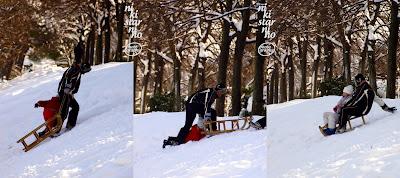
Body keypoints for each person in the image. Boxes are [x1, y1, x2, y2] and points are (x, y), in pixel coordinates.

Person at [163, 83, 227, 148]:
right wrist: (206, 117)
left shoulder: (212, 93)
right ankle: (213, 130)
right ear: (218, 90)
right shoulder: (211, 93)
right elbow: (206, 105)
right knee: (212, 112)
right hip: (192, 105)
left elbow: (204, 104)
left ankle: (177, 140)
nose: (222, 93)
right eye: (222, 91)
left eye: (224, 92)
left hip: (191, 105)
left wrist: (203, 116)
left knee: (188, 125)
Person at [56, 41, 91, 134]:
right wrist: (67, 89)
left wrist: (72, 92)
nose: (86, 72)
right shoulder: (75, 69)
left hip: (68, 93)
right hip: (64, 93)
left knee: (75, 107)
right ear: (83, 67)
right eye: (86, 70)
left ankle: (70, 125)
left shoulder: (78, 70)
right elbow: (67, 77)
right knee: (63, 112)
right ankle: (56, 130)